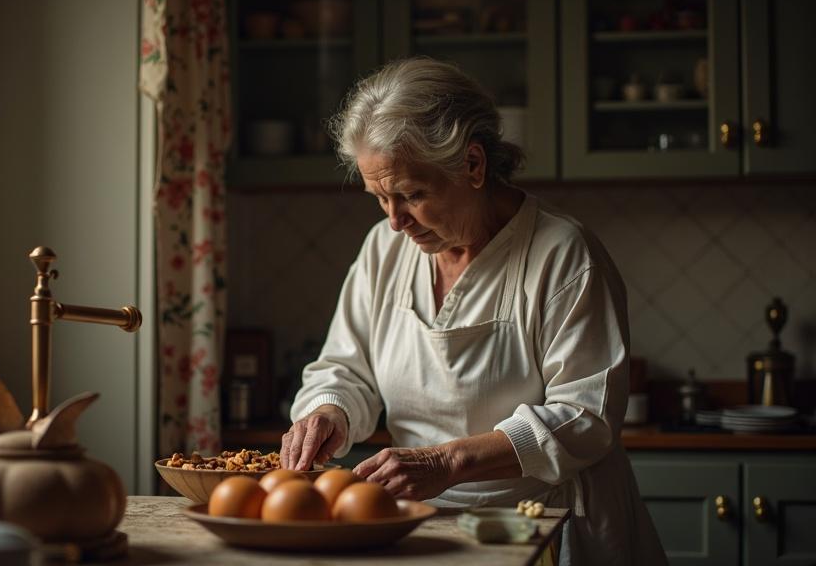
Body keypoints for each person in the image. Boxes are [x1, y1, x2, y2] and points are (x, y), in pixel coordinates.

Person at [278, 57, 666, 565]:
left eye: (412, 195)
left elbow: (584, 417)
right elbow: (346, 368)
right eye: (380, 198)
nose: (395, 221)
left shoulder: (561, 253)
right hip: (420, 524)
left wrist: (447, 461)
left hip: (546, 522)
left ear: (473, 165)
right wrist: (329, 410)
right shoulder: (383, 250)